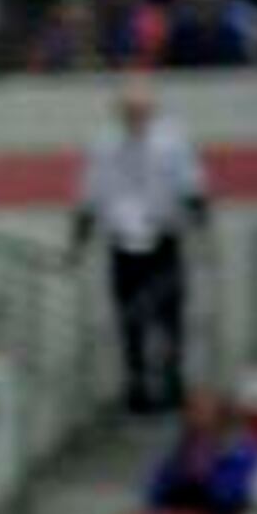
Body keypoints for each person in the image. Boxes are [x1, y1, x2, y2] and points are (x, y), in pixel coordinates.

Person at [71, 77, 208, 412]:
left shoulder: (172, 140)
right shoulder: (104, 144)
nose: (135, 117)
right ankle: (137, 385)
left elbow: (191, 183)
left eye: (140, 110)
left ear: (152, 111)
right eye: (129, 111)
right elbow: (91, 192)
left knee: (170, 315)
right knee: (129, 317)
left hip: (163, 237)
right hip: (123, 241)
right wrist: (79, 236)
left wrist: (199, 218)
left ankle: (173, 381)